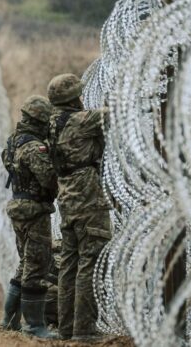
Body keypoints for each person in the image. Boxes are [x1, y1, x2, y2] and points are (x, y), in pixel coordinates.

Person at [47, 73, 111, 340]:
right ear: (73, 98)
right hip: (87, 198)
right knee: (90, 262)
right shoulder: (81, 121)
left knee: (70, 264)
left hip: (67, 199)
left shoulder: (53, 124)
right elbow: (117, 112)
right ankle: (84, 329)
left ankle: (66, 327)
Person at [0, 95, 57, 338]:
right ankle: (34, 325)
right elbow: (48, 179)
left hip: (18, 205)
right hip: (34, 209)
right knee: (37, 265)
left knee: (25, 262)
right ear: (41, 120)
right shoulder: (35, 147)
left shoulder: (14, 141)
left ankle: (9, 319)